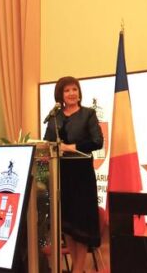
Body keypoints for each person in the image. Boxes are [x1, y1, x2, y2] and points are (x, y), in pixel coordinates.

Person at [44, 76, 103, 273]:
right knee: (67, 224)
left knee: (81, 223)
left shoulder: (88, 114)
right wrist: (50, 148)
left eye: (74, 89)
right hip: (62, 173)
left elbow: (97, 141)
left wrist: (72, 147)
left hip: (82, 174)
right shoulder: (55, 117)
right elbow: (47, 141)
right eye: (67, 90)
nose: (71, 93)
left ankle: (77, 269)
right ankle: (77, 267)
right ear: (60, 95)